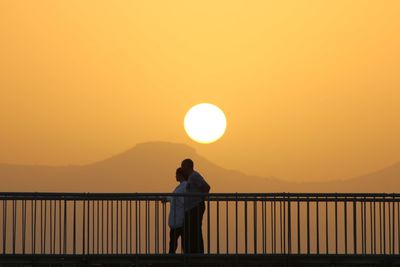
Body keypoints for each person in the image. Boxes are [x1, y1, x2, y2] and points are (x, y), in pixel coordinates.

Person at [181, 158, 211, 253]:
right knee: (192, 229)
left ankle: (198, 251)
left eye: (183, 166)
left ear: (187, 166)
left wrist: (201, 197)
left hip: (196, 206)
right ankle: (193, 251)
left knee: (195, 229)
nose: (182, 169)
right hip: (192, 207)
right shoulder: (191, 177)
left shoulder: (194, 176)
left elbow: (206, 187)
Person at [167, 167, 188, 254]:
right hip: (178, 219)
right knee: (175, 241)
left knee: (174, 242)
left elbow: (179, 199)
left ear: (180, 175)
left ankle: (172, 259)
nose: (175, 176)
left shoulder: (183, 187)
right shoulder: (181, 186)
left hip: (179, 219)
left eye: (176, 174)